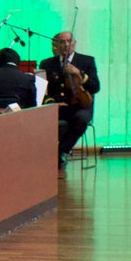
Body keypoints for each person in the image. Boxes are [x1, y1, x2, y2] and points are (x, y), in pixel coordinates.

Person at [40, 31, 99, 164]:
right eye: (62, 42)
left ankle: (60, 151)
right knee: (37, 117)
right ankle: (41, 154)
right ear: (57, 45)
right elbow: (43, 90)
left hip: (79, 106)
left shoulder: (87, 61)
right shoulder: (46, 64)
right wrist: (52, 102)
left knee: (82, 118)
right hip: (57, 106)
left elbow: (95, 87)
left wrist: (79, 73)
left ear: (74, 43)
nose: (66, 44)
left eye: (69, 41)